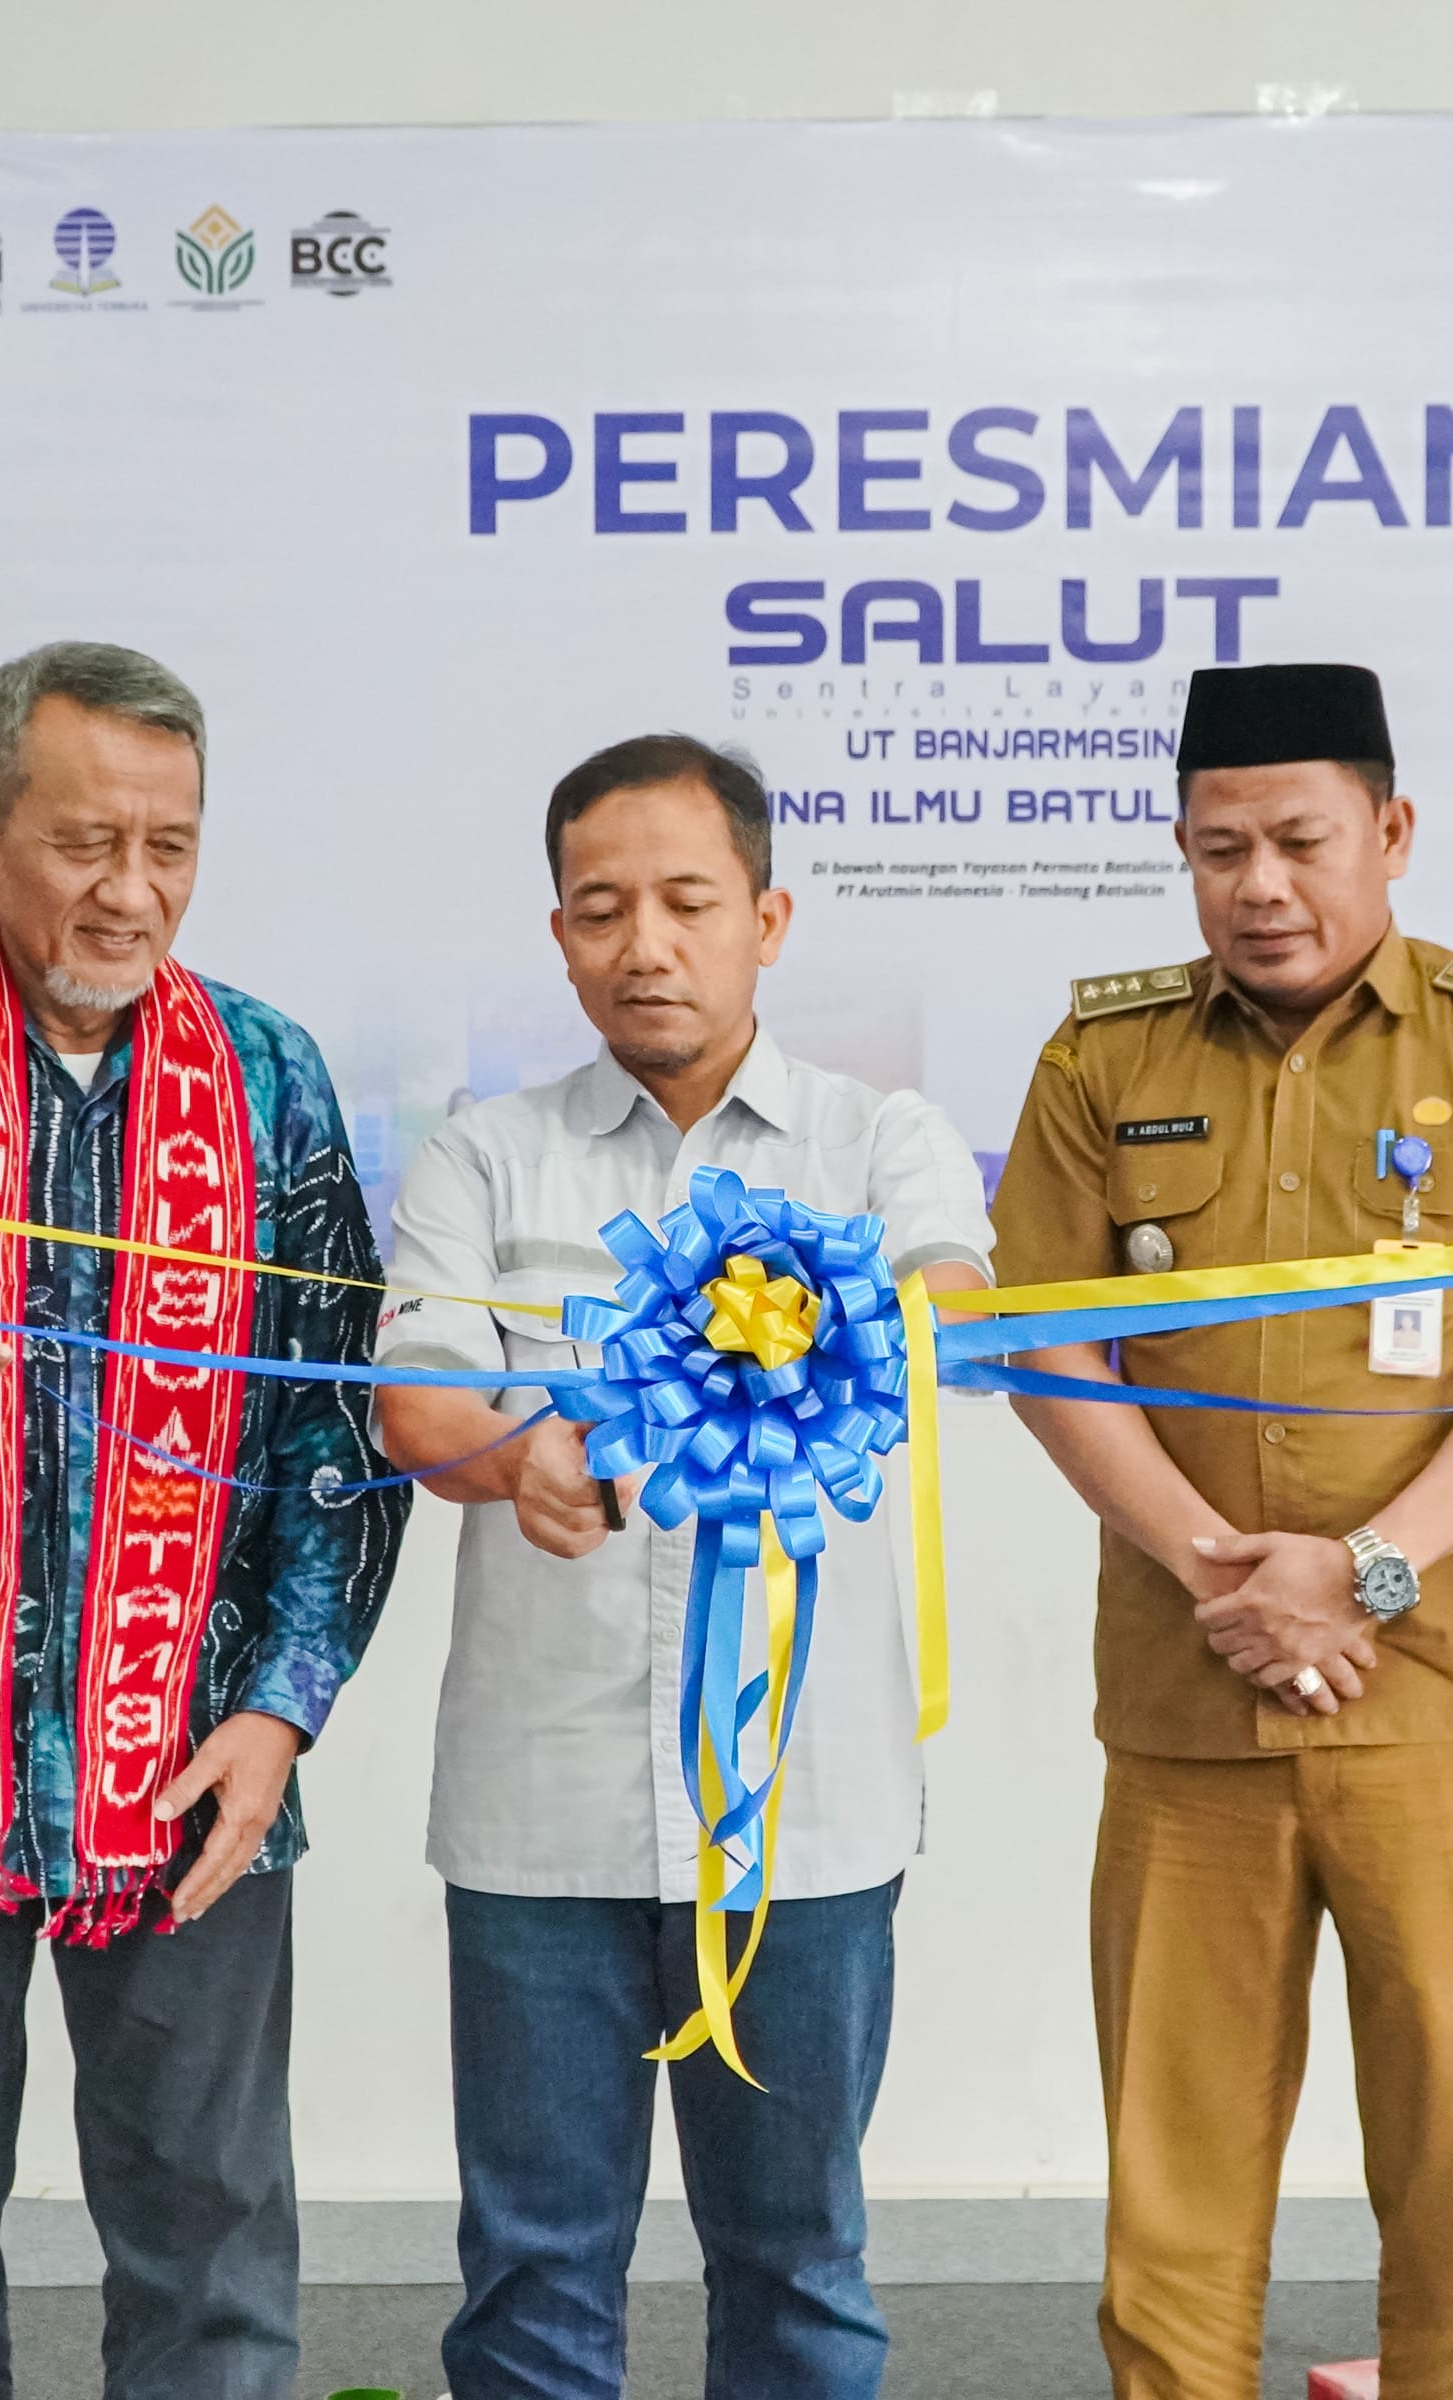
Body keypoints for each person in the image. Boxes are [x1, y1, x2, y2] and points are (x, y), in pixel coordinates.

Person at [992, 661, 1453, 2400]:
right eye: (1221, 849)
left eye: (1300, 840)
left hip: (1445, 1695)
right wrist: (1220, 1567)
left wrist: (1366, 1569)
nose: (1262, 885)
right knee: (1175, 2169)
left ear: (1392, 832)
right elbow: (1042, 1340)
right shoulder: (1102, 1051)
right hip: (1188, 1697)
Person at [0, 640, 405, 2400]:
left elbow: (334, 1438)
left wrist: (280, 1715)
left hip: (193, 1770)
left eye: (171, 846)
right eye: (84, 844)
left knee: (211, 2265)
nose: (133, 892)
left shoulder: (270, 1078)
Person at [373, 733, 994, 2400]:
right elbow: (409, 1394)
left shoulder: (879, 1142)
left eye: (687, 902)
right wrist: (511, 1462)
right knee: (530, 2271)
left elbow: (956, 1313)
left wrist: (832, 1339)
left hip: (805, 1813)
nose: (645, 943)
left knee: (799, 2268)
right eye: (602, 908)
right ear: (560, 932)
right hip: (539, 1813)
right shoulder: (483, 1156)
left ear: (768, 919)